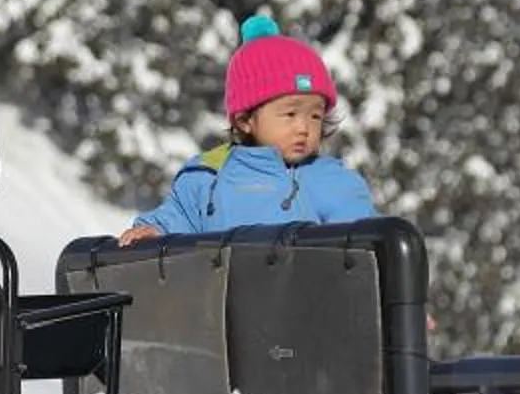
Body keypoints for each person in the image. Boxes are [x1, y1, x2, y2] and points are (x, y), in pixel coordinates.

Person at [118, 15, 376, 241]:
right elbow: (180, 215)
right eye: (290, 113)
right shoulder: (209, 175)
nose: (304, 127)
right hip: (221, 294)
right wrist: (154, 231)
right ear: (245, 120)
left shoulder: (329, 180)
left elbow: (362, 239)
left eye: (315, 116)